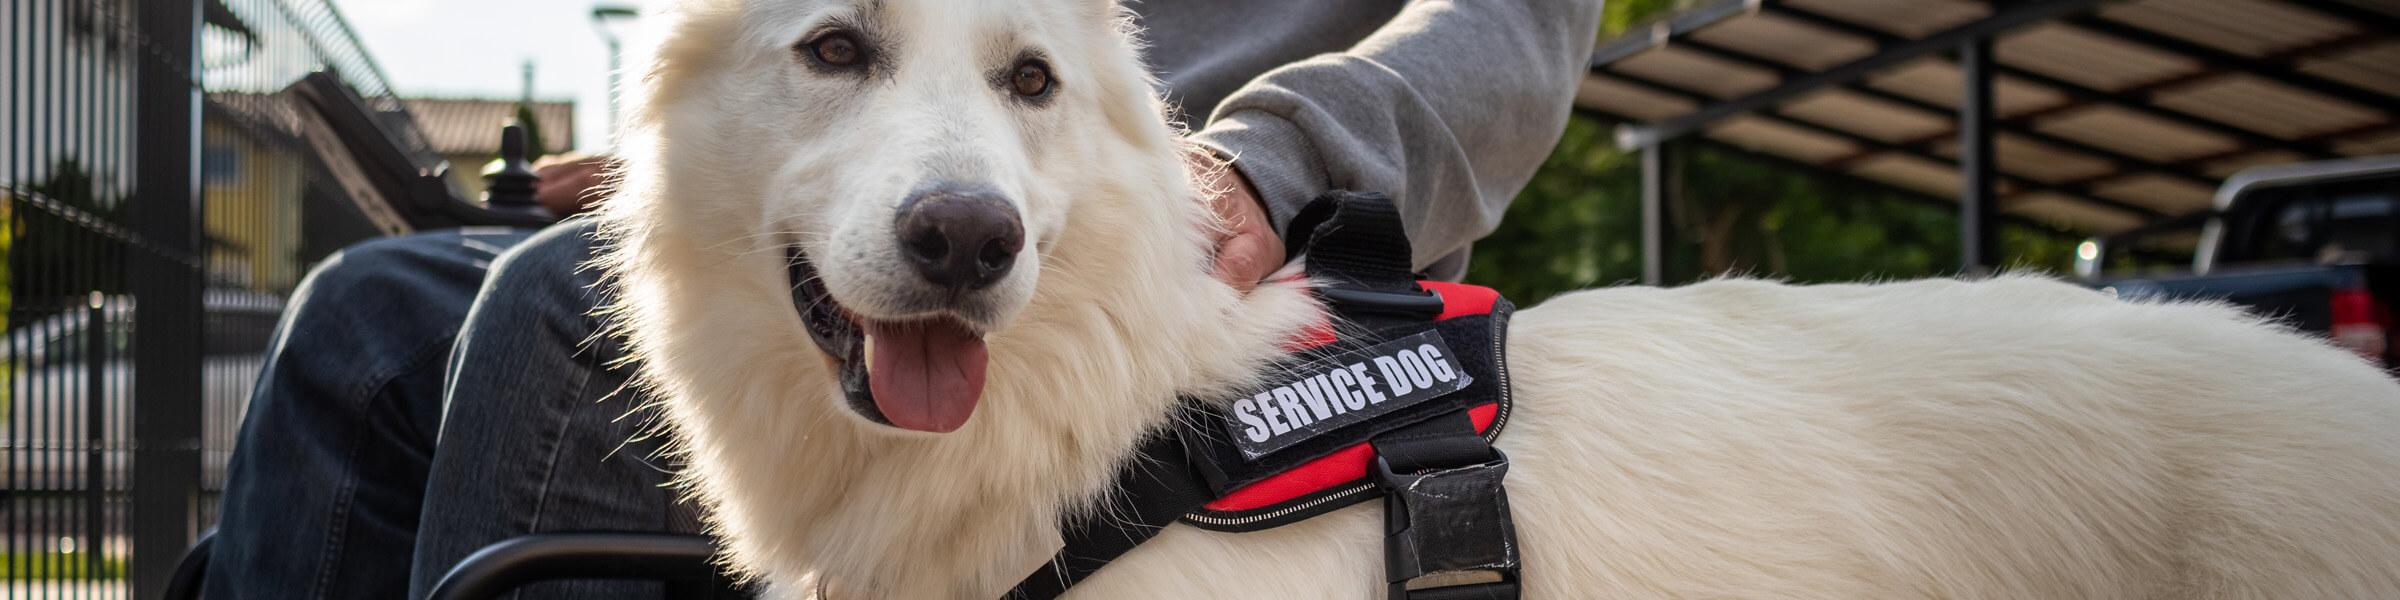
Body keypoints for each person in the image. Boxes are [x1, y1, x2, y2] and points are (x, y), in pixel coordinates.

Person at [204, 1, 1604, 597]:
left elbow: (1520, 24)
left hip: (1210, 225)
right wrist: (719, 154)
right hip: (925, 169)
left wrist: (1278, 162)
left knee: (545, 317)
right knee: (365, 316)